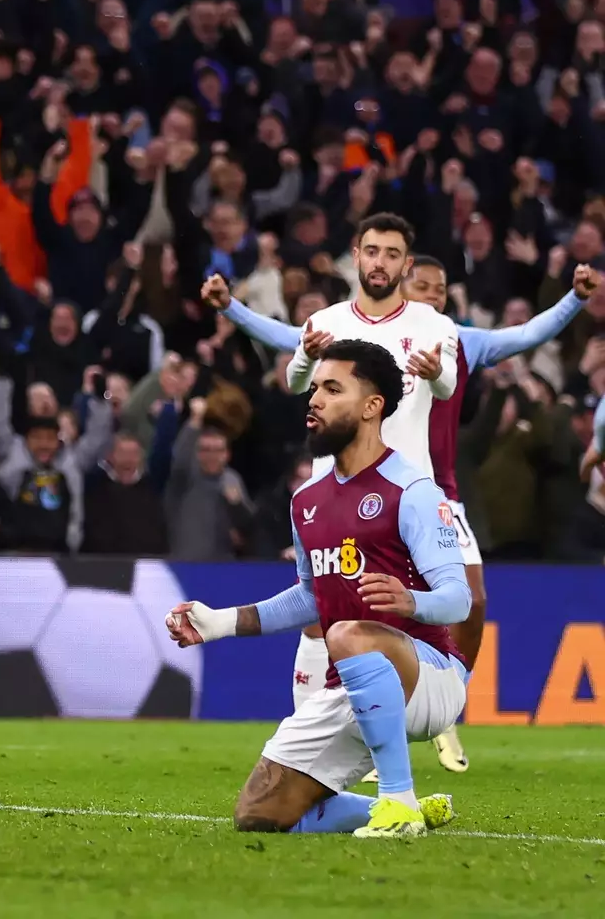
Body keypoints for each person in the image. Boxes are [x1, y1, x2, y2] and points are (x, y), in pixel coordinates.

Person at [202, 259, 600, 772]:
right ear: (403, 288)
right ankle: (324, 727)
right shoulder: (358, 349)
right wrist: (232, 307)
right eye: (423, 287)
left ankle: (442, 694)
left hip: (433, 494)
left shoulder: (453, 339)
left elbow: (523, 336)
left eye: (440, 289)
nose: (432, 297)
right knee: (331, 602)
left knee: (470, 596)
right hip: (361, 491)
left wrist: (574, 299)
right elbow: (289, 338)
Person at [166, 340, 470, 838]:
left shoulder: (412, 491)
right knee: (260, 814)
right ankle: (398, 810)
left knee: (347, 633)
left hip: (429, 677)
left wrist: (411, 600)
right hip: (350, 680)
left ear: (373, 407)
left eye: (333, 388)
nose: (315, 400)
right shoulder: (307, 499)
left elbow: (458, 598)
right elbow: (311, 596)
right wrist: (220, 621)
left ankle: (399, 801)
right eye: (314, 389)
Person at [202, 212, 459, 767]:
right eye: (372, 250)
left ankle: (404, 757)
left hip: (402, 495)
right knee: (326, 612)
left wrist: (436, 372)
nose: (381, 262)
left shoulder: (434, 324)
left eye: (393, 254)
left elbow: (449, 386)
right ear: (357, 254)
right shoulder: (328, 320)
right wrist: (302, 354)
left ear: (406, 264)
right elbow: (296, 381)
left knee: (380, 616)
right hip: (332, 491)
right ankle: (317, 749)